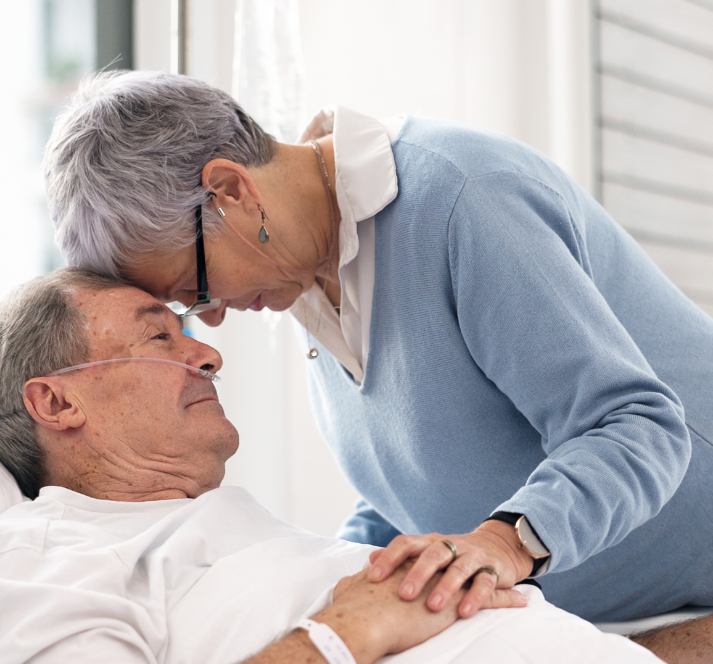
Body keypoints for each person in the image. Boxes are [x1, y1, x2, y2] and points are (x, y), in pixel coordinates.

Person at [0, 269, 713, 664]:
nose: (208, 352)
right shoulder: (41, 554)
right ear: (55, 402)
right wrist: (350, 628)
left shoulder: (256, 543)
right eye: (161, 338)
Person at [43, 71, 713, 631]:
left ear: (230, 191)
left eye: (196, 289)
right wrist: (324, 583)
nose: (212, 319)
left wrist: (505, 541)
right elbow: (419, 492)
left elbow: (639, 428)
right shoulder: (304, 277)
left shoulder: (463, 200)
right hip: (613, 624)